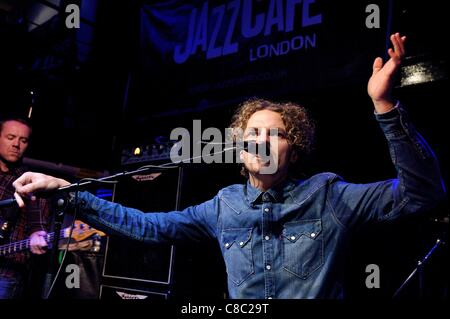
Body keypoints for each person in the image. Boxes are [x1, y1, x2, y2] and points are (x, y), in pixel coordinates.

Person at [13, 33, 446, 298]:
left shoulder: (329, 195)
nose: (260, 140)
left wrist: (384, 104)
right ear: (239, 150)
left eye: (274, 134)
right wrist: (66, 189)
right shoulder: (224, 206)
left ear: (293, 151)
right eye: (250, 135)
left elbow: (421, 195)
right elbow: (148, 226)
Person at [0, 117, 49, 299]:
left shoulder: (30, 181)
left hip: (6, 273)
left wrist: (38, 234)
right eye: (10, 137)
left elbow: (38, 223)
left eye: (23, 140)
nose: (16, 145)